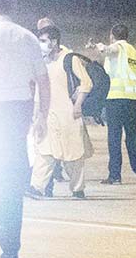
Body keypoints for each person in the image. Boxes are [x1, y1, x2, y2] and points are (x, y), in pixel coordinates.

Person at [0, 0, 51, 258]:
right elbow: (43, 81)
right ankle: (11, 247)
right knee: (12, 181)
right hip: (19, 113)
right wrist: (42, 117)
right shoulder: (28, 37)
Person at [28, 26, 93, 200]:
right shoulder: (42, 61)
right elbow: (38, 92)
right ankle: (36, 187)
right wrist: (36, 115)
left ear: (54, 41)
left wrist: (78, 105)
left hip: (69, 115)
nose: (41, 45)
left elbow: (86, 83)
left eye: (43, 41)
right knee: (44, 151)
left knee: (74, 154)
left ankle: (78, 189)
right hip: (48, 115)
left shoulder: (69, 59)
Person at [91, 23, 136, 185]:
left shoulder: (118, 48)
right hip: (132, 99)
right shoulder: (135, 53)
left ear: (112, 36)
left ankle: (115, 175)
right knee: (132, 134)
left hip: (115, 98)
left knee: (114, 137)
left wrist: (97, 46)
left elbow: (109, 50)